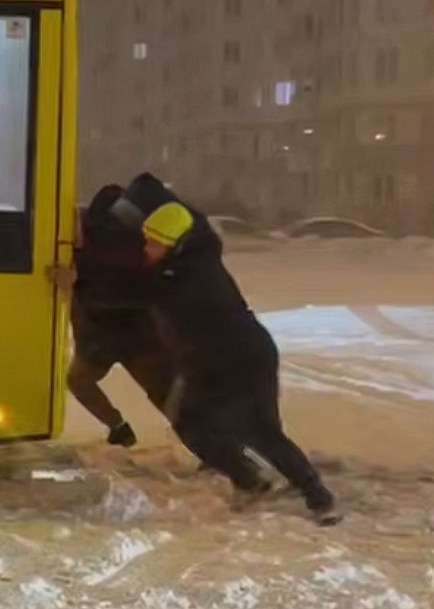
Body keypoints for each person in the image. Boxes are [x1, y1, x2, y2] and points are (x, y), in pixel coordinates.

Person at [113, 173, 341, 525]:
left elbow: (142, 293)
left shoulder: (188, 278)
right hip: (213, 361)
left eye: (152, 244)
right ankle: (251, 480)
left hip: (240, 359)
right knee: (193, 424)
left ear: (171, 245)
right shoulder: (183, 262)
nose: (146, 250)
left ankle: (318, 498)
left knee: (261, 432)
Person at [65, 184, 176, 448]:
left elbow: (116, 288)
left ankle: (211, 445)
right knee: (163, 395)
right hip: (121, 336)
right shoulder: (132, 242)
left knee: (163, 395)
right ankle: (119, 429)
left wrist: (73, 283)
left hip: (120, 336)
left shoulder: (105, 244)